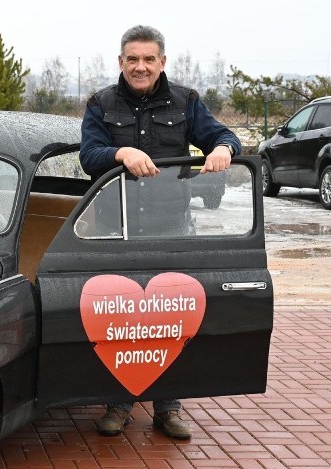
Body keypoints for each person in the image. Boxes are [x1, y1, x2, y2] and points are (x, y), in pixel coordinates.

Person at [79, 25, 241, 440]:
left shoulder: (187, 101)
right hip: (119, 230)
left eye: (149, 59)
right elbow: (88, 156)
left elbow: (223, 136)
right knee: (120, 319)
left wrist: (223, 149)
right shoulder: (100, 104)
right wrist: (121, 151)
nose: (140, 66)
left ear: (162, 62)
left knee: (172, 318)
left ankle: (168, 407)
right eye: (132, 59)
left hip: (172, 229)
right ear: (121, 62)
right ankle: (118, 403)